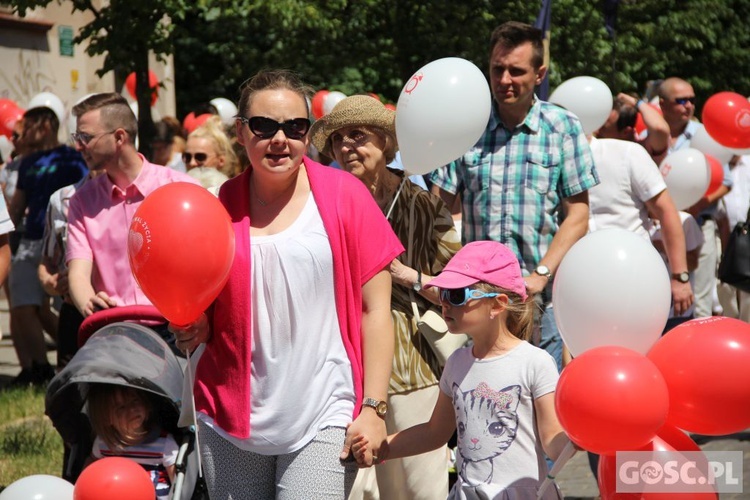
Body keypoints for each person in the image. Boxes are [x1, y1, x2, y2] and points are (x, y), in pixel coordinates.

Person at [169, 69, 403, 499]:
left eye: (295, 127)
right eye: (264, 126)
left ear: (309, 133)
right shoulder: (219, 206)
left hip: (324, 410)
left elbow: (376, 311)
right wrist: (196, 323)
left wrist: (373, 407)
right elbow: (210, 307)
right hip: (231, 414)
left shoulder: (345, 195)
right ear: (241, 132)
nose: (281, 139)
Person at [310, 94, 461, 500]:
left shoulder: (424, 205)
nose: (345, 146)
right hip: (342, 365)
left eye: (356, 135)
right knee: (352, 489)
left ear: (385, 142)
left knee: (416, 488)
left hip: (413, 366)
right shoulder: (322, 202)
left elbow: (459, 287)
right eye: (337, 138)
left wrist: (407, 275)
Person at [430, 21, 599, 371]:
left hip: (541, 299)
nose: (504, 79)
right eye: (497, 69)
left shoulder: (562, 127)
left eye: (516, 71)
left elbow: (578, 215)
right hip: (477, 303)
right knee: (483, 406)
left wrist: (541, 273)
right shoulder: (466, 127)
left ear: (539, 74)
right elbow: (436, 210)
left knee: (545, 410)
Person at [351, 241, 569, 499]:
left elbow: (552, 440)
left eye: (456, 295)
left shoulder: (535, 362)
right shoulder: (456, 362)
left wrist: (581, 437)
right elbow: (434, 433)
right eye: (443, 294)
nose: (444, 304)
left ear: (498, 305)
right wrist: (382, 448)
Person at [66, 93, 200, 318]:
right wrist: (90, 304)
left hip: (178, 329)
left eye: (86, 137)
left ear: (119, 137)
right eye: (77, 137)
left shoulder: (183, 190)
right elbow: (78, 274)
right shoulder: (82, 201)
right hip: (114, 329)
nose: (79, 146)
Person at [8, 106, 88, 386]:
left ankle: (75, 356)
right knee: (22, 306)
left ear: (44, 126)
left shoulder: (74, 156)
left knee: (67, 305)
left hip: (67, 238)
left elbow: (85, 191)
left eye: (27, 126)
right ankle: (39, 368)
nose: (22, 133)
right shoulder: (28, 162)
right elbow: (17, 206)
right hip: (30, 241)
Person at [586, 135, 693, 316]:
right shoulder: (550, 158)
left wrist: (680, 277)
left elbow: (667, 212)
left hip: (633, 280)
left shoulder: (626, 153)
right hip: (584, 284)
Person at [659, 77, 733, 318]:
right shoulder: (653, 135)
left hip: (700, 226)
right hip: (662, 231)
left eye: (692, 99)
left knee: (698, 301)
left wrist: (698, 205)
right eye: (681, 100)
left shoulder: (704, 135)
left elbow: (726, 182)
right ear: (663, 104)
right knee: (662, 300)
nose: (689, 105)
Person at [86, 384, 178, 499]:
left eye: (135, 401)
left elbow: (178, 483)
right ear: (106, 418)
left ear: (147, 405)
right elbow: (90, 470)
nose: (132, 409)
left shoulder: (164, 443)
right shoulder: (103, 443)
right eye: (121, 407)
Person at [717, 154, 750, 322]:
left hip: (747, 239)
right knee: (725, 293)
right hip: (720, 235)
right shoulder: (716, 164)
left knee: (747, 297)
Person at [595, 92, 670, 164]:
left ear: (626, 132)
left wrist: (637, 103)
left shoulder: (643, 149)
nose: (596, 130)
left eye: (603, 127)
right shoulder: (593, 144)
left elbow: (660, 129)